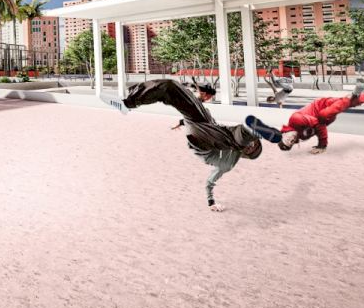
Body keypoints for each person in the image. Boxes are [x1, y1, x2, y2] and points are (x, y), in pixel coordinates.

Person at [108, 79, 269, 212]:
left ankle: (129, 102)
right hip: (205, 124)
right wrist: (182, 122)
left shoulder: (227, 164)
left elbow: (210, 182)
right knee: (172, 87)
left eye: (250, 148)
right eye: (253, 143)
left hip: (204, 143)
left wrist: (211, 202)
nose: (250, 145)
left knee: (233, 136)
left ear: (246, 154)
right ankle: (130, 99)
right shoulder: (233, 137)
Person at [278, 81, 364, 154]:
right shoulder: (302, 136)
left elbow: (317, 123)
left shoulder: (294, 120)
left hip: (322, 105)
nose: (291, 139)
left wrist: (322, 145)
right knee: (347, 102)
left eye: (287, 139)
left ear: (283, 134)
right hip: (327, 116)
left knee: (340, 106)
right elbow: (316, 128)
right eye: (291, 142)